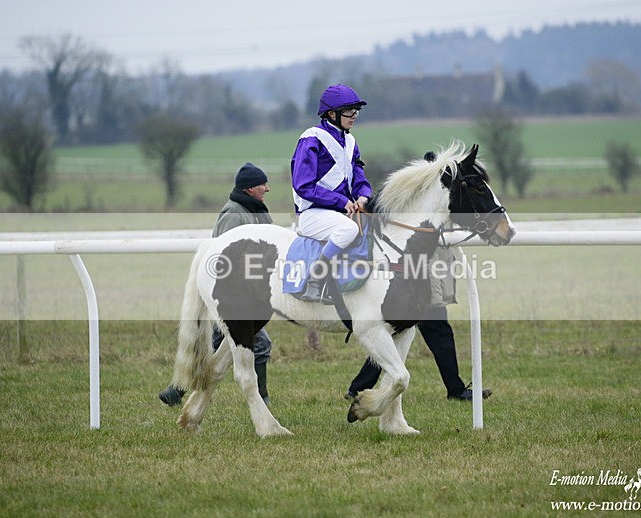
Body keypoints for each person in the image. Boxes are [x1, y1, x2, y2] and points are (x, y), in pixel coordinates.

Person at [345, 152, 492, 402]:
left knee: (396, 330)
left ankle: (359, 387)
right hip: (419, 275)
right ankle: (455, 390)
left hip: (423, 272)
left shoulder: (435, 203)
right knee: (426, 330)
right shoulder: (424, 203)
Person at [159, 162, 274, 406]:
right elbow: (229, 259)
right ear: (249, 189)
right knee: (260, 343)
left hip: (247, 294)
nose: (267, 188)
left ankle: (176, 391)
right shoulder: (233, 214)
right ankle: (262, 400)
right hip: (231, 296)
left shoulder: (257, 211)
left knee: (212, 344)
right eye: (262, 184)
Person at [290, 83, 373, 304]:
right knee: (349, 229)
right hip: (313, 213)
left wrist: (363, 195)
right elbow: (303, 185)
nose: (354, 115)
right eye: (349, 111)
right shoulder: (311, 138)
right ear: (331, 114)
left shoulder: (350, 141)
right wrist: (341, 200)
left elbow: (358, 176)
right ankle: (314, 282)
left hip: (338, 214)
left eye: (356, 110)